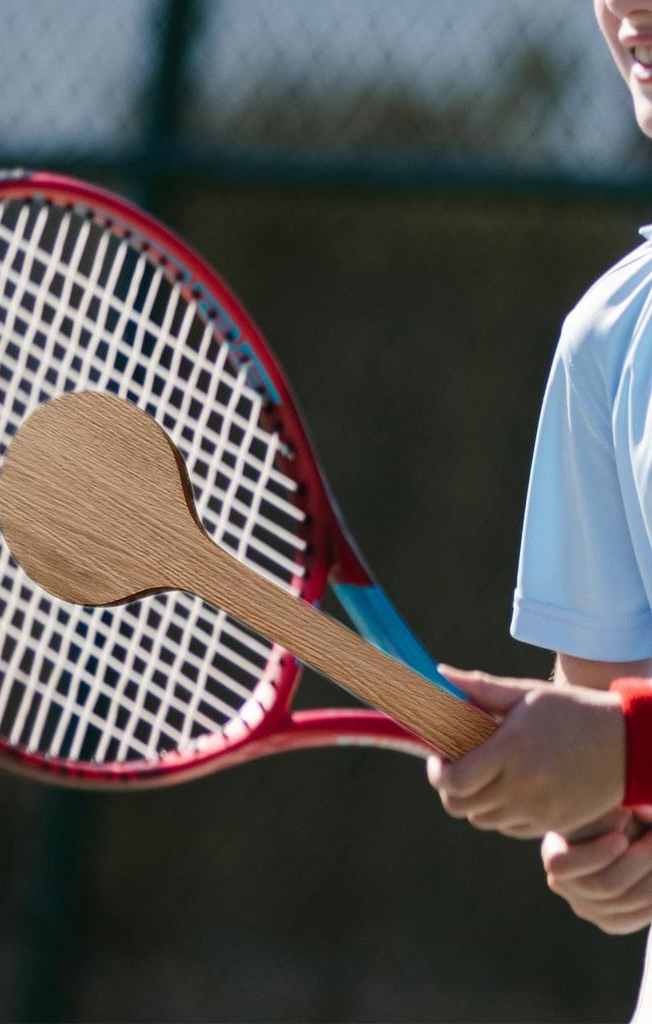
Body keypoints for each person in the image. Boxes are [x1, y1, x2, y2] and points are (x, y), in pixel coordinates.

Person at [427, 0, 652, 1014]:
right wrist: (615, 828)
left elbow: (625, 742)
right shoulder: (609, 339)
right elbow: (613, 745)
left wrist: (627, 754)